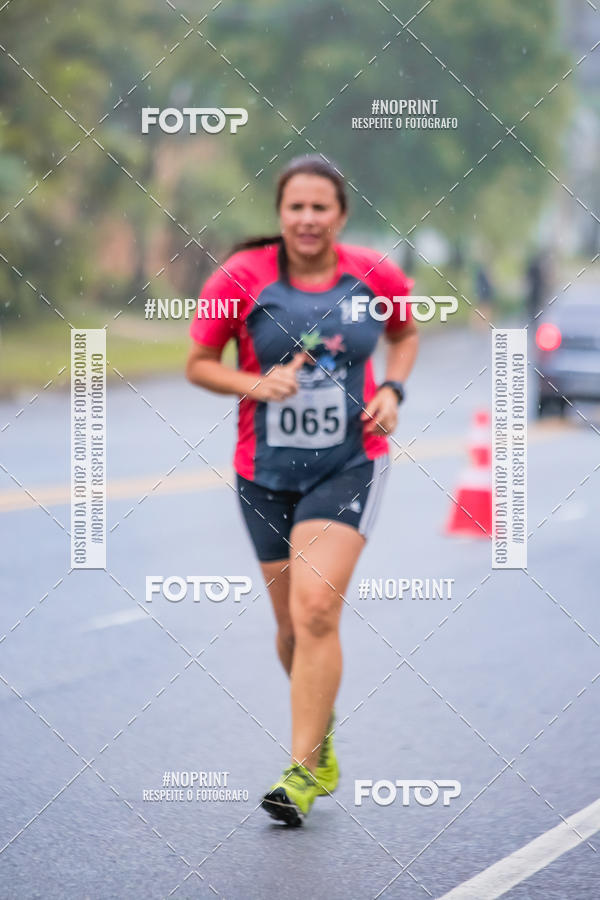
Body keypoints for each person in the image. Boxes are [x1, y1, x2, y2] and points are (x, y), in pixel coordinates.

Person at [185, 154, 419, 826]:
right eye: (296, 207)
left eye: (322, 207)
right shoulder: (240, 279)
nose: (308, 219)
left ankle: (300, 772)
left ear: (341, 215)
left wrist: (394, 390)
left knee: (317, 610)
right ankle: (322, 738)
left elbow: (404, 333)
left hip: (349, 463)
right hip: (263, 471)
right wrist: (253, 383)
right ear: (280, 214)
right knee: (290, 628)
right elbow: (199, 364)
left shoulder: (375, 275)